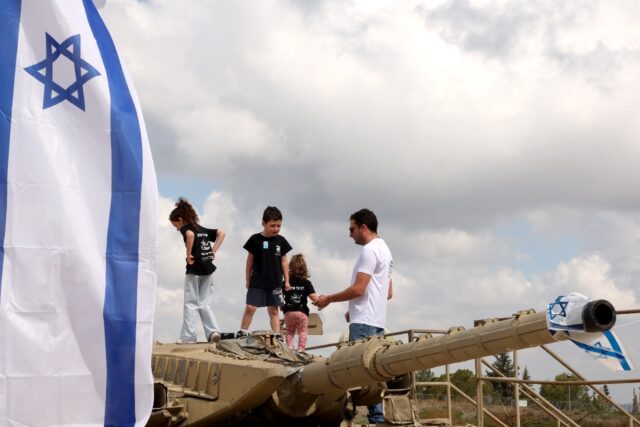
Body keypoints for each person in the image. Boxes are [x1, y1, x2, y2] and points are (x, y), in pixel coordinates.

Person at [314, 208, 393, 424]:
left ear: (363, 227)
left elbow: (359, 289)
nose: (350, 234)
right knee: (373, 372)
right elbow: (388, 291)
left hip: (363, 321)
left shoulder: (368, 251)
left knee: (354, 371)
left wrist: (328, 298)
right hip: (377, 320)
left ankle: (348, 415)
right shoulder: (385, 249)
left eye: (352, 229)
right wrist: (356, 306)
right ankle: (376, 418)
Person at [169, 198, 226, 344]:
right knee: (205, 303)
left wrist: (188, 255)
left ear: (180, 220)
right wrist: (213, 251)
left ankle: (189, 336)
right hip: (208, 268)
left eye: (175, 225)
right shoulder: (201, 228)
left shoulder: (186, 228)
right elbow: (222, 233)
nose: (176, 228)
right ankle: (213, 332)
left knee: (190, 303)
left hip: (194, 270)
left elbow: (190, 235)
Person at [237, 206, 292, 338]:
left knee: (273, 310)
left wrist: (287, 281)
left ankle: (277, 334)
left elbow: (284, 261)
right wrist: (247, 278)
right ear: (263, 223)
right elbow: (249, 260)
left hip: (275, 281)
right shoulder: (254, 239)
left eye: (279, 226)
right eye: (272, 226)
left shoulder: (281, 241)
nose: (276, 229)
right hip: (257, 280)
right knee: (250, 307)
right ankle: (242, 331)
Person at [283, 254, 318, 351]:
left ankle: (290, 347)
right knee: (303, 332)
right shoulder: (306, 282)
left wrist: (281, 306)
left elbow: (279, 296)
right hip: (302, 313)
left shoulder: (286, 282)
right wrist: (320, 302)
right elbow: (314, 297)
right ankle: (301, 349)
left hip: (289, 312)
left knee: (289, 332)